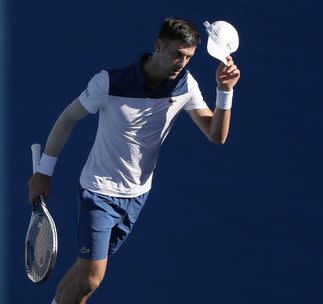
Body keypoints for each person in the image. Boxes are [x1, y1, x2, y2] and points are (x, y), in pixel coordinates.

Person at [27, 16, 240, 304]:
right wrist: (44, 172)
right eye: (177, 54)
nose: (182, 62)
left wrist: (224, 91)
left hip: (137, 196)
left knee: (84, 272)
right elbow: (68, 118)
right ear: (158, 46)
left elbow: (217, 135)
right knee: (92, 278)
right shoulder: (110, 82)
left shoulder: (186, 87)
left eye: (189, 57)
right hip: (99, 192)